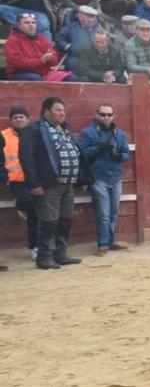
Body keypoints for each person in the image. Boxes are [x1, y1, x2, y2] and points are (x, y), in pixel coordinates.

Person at [18, 96, 91, 270]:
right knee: (49, 221)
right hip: (48, 184)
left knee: (65, 219)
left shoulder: (65, 129)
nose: (62, 113)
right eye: (58, 110)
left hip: (67, 184)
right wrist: (34, 184)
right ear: (46, 112)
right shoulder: (34, 130)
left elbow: (74, 154)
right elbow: (27, 158)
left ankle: (61, 253)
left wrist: (81, 178)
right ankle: (44, 257)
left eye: (63, 110)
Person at [78, 103, 131, 255]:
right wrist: (101, 148)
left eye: (109, 114)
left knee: (113, 212)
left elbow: (126, 153)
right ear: (97, 115)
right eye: (103, 114)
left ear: (113, 116)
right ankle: (103, 244)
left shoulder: (119, 134)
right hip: (98, 177)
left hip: (115, 177)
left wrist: (119, 156)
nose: (106, 117)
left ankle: (110, 241)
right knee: (103, 214)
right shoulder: (87, 133)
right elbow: (84, 153)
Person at [2, 106, 39, 261]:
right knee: (28, 203)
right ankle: (21, 205)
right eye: (15, 117)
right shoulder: (3, 136)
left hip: (36, 180)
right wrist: (5, 178)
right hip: (17, 180)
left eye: (21, 117)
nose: (18, 119)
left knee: (36, 215)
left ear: (27, 119)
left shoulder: (36, 134)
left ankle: (35, 247)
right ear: (11, 121)